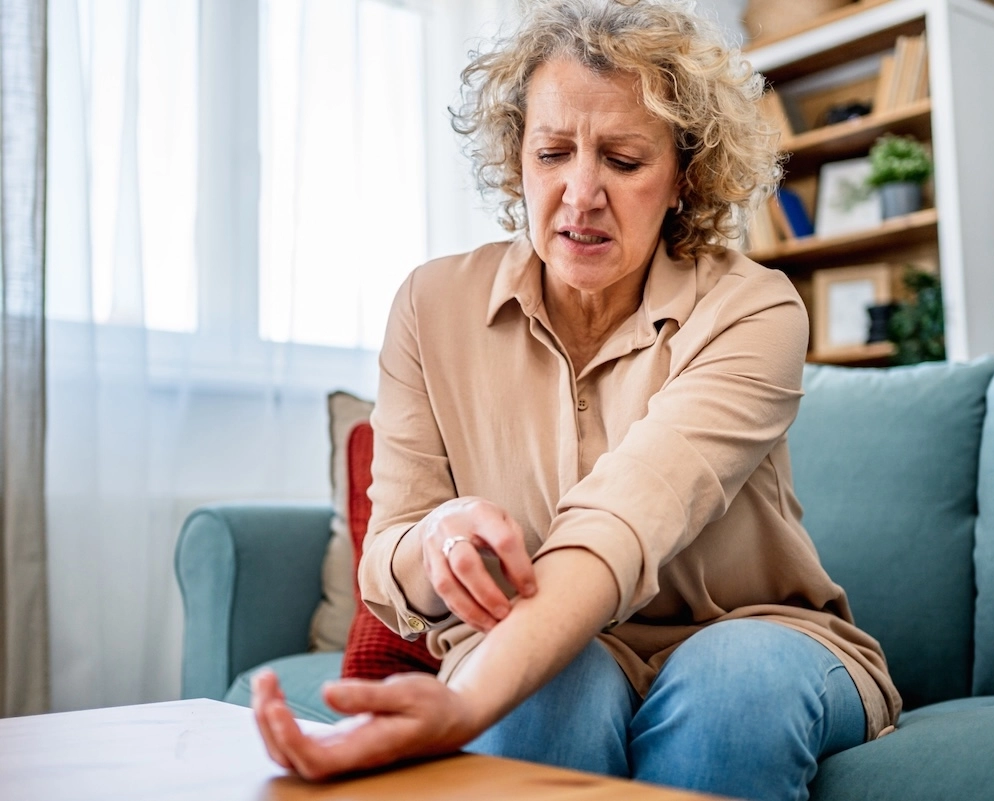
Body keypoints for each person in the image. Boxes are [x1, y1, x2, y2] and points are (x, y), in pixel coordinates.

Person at [251, 1, 900, 798]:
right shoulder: (429, 306)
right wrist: (437, 542)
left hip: (755, 633)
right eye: (553, 151)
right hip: (543, 647)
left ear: (684, 178)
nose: (580, 192)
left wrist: (463, 703)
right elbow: (389, 562)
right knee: (551, 682)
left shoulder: (754, 308)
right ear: (515, 158)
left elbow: (622, 521)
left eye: (624, 160)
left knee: (734, 682)